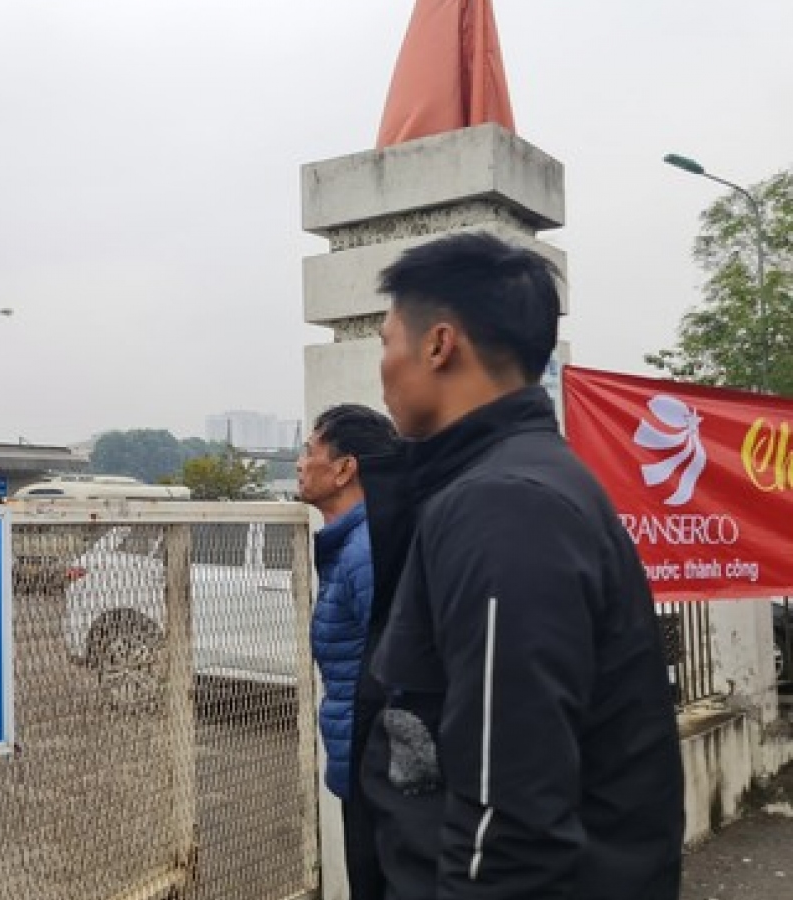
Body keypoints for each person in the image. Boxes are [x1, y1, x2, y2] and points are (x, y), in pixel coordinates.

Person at [357, 232, 683, 898]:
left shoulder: (503, 506)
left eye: (386, 342)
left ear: (438, 345)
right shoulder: (505, 482)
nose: (382, 368)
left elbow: (509, 820)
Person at [297, 403, 396, 899]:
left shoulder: (365, 552)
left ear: (343, 468)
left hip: (380, 774)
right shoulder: (354, 543)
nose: (299, 463)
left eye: (309, 450)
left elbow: (397, 674)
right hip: (366, 767)